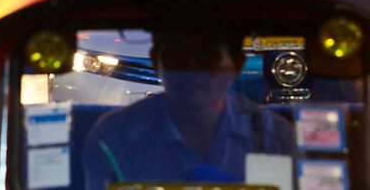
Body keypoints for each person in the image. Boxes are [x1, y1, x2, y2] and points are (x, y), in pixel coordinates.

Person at [81, 27, 295, 189]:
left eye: (207, 56)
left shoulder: (273, 138)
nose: (192, 70)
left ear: (237, 64)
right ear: (157, 61)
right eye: (179, 56)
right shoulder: (113, 141)